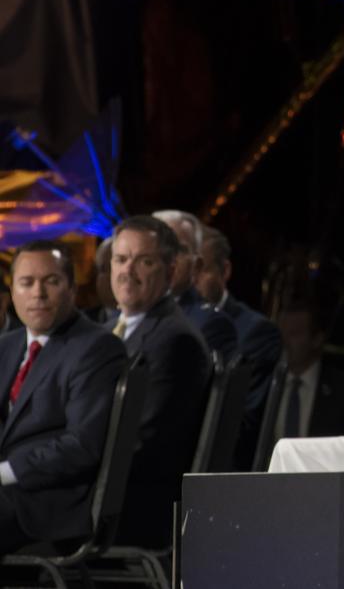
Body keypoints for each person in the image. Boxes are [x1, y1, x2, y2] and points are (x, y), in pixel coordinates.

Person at [0, 240, 126, 553]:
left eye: (51, 282)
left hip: (48, 503)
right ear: (11, 292)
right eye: (26, 283)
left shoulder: (97, 348)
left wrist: (3, 472)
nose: (37, 294)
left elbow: (82, 446)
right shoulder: (5, 346)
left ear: (72, 288)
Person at [107, 215, 211, 547]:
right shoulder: (106, 331)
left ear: (170, 270)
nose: (128, 270)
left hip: (130, 505)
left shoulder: (174, 340)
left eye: (144, 261)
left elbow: (147, 442)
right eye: (121, 259)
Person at [194, 225, 283, 468]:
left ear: (225, 271)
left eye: (201, 268)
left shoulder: (255, 332)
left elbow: (239, 426)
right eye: (189, 266)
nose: (193, 278)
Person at [271, 306, 344, 443]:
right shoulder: (264, 384)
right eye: (280, 334)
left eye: (294, 334)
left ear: (317, 339)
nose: (284, 342)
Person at [152, 210, 236, 362]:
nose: (168, 258)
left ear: (197, 265)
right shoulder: (119, 319)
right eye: (158, 248)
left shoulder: (210, 324)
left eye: (179, 250)